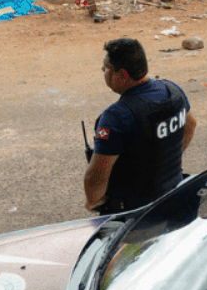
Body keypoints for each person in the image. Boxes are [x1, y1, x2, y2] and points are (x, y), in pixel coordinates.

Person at [84, 37, 197, 213]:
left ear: (121, 75)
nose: (102, 71)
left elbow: (97, 174)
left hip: (133, 213)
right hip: (172, 195)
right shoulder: (173, 90)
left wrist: (93, 201)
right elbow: (191, 124)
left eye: (106, 68)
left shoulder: (117, 116)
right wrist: (164, 160)